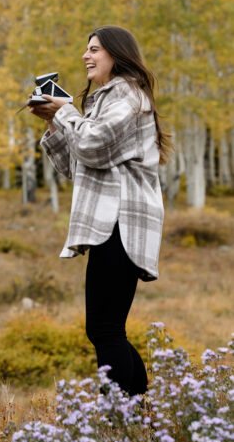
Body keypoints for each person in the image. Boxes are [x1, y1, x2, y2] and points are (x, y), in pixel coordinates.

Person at [31, 26, 169, 396]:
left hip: (120, 221)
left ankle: (121, 419)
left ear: (117, 55)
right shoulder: (107, 100)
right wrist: (53, 119)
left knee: (105, 330)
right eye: (86, 49)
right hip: (112, 221)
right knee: (107, 330)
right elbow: (77, 167)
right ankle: (138, 413)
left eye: (94, 49)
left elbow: (90, 146)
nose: (85, 56)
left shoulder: (126, 95)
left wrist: (65, 114)